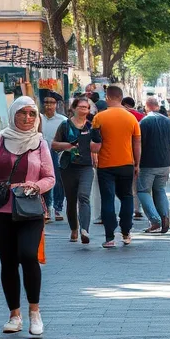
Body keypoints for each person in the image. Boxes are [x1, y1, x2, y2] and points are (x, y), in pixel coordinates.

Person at [0, 97, 54, 337]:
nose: (28, 118)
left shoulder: (40, 144)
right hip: (0, 210)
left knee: (28, 255)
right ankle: (14, 315)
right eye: (23, 113)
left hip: (30, 209)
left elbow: (50, 177)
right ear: (13, 115)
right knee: (8, 262)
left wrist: (36, 185)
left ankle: (35, 311)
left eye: (32, 113)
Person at [92, 85, 140, 248]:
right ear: (120, 97)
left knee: (108, 198)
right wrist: (137, 163)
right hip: (126, 163)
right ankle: (126, 232)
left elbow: (95, 142)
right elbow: (137, 142)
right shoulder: (131, 118)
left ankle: (109, 236)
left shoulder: (99, 117)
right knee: (127, 197)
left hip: (105, 164)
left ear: (108, 97)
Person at [53, 96, 99, 243]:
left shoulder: (91, 126)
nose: (83, 110)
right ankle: (74, 228)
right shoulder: (65, 125)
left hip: (86, 166)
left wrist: (97, 148)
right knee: (71, 200)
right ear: (74, 108)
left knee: (84, 196)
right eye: (80, 107)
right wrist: (67, 146)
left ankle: (84, 230)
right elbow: (54, 145)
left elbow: (95, 146)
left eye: (86, 107)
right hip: (68, 167)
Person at [136, 97, 170, 234]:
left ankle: (155, 220)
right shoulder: (169, 122)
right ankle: (165, 217)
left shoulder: (144, 122)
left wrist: (136, 162)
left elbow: (140, 144)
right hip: (164, 162)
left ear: (147, 107)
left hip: (147, 163)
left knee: (142, 191)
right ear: (157, 106)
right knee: (160, 190)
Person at [39, 93, 66, 223]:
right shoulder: (38, 119)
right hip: (41, 153)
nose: (48, 105)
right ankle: (47, 208)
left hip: (57, 153)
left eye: (51, 102)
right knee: (44, 181)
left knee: (58, 181)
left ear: (56, 105)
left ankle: (58, 207)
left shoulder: (62, 120)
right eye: (46, 102)